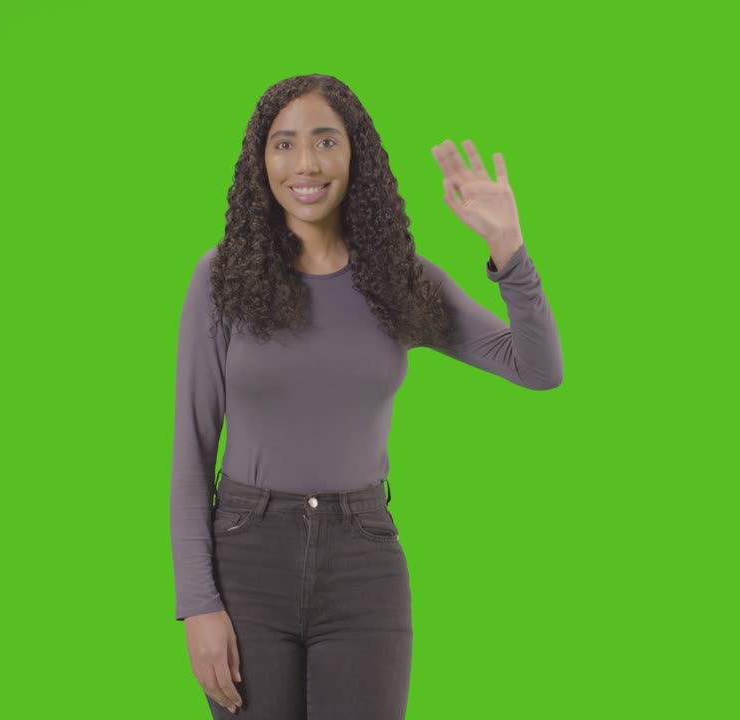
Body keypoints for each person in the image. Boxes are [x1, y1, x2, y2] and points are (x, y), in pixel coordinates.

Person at [171, 74, 563, 718]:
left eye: (326, 141)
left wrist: (508, 247)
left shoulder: (398, 282)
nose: (305, 163)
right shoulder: (220, 279)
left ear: (356, 156)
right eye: (284, 144)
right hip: (247, 560)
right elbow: (191, 452)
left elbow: (537, 367)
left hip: (362, 564)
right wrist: (197, 603)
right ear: (260, 162)